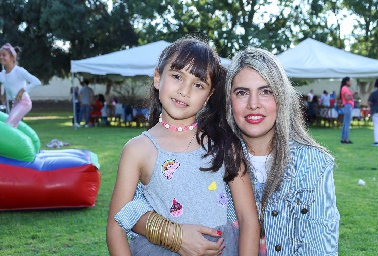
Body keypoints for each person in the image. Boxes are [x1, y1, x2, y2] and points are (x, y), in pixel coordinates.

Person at [114, 47, 340, 256]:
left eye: (266, 91)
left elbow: (322, 246)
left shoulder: (313, 164)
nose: (253, 104)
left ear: (281, 96)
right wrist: (173, 234)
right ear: (228, 99)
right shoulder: (218, 146)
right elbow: (129, 210)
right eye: (242, 92)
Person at [106, 37, 260, 256]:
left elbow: (248, 219)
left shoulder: (224, 144)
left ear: (208, 96)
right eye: (177, 76)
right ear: (158, 78)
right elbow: (116, 225)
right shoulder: (137, 149)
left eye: (198, 85)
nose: (185, 91)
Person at [0, 43, 41, 128]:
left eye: (4, 55)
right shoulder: (2, 74)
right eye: (0, 55)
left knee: (8, 124)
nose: (1, 57)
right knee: (13, 127)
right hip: (15, 103)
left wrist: (22, 90)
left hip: (25, 102)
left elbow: (37, 82)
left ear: (12, 57)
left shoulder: (19, 71)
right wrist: (3, 95)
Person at [340, 76, 357, 144]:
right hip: (348, 106)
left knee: (345, 123)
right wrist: (353, 93)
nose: (351, 82)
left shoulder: (345, 88)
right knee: (347, 123)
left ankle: (343, 138)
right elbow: (347, 98)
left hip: (347, 106)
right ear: (347, 82)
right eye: (350, 81)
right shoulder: (345, 88)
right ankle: (346, 139)